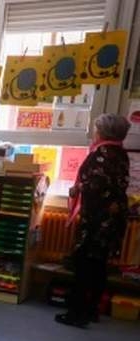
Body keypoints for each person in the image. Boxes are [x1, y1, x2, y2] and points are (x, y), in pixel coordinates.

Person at [56, 113, 131, 328]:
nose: (94, 132)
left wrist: (78, 188)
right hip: (113, 218)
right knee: (99, 265)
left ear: (104, 132)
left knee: (83, 265)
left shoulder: (102, 153)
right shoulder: (120, 153)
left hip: (98, 219)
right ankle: (91, 310)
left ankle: (76, 314)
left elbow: (96, 185)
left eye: (97, 129)